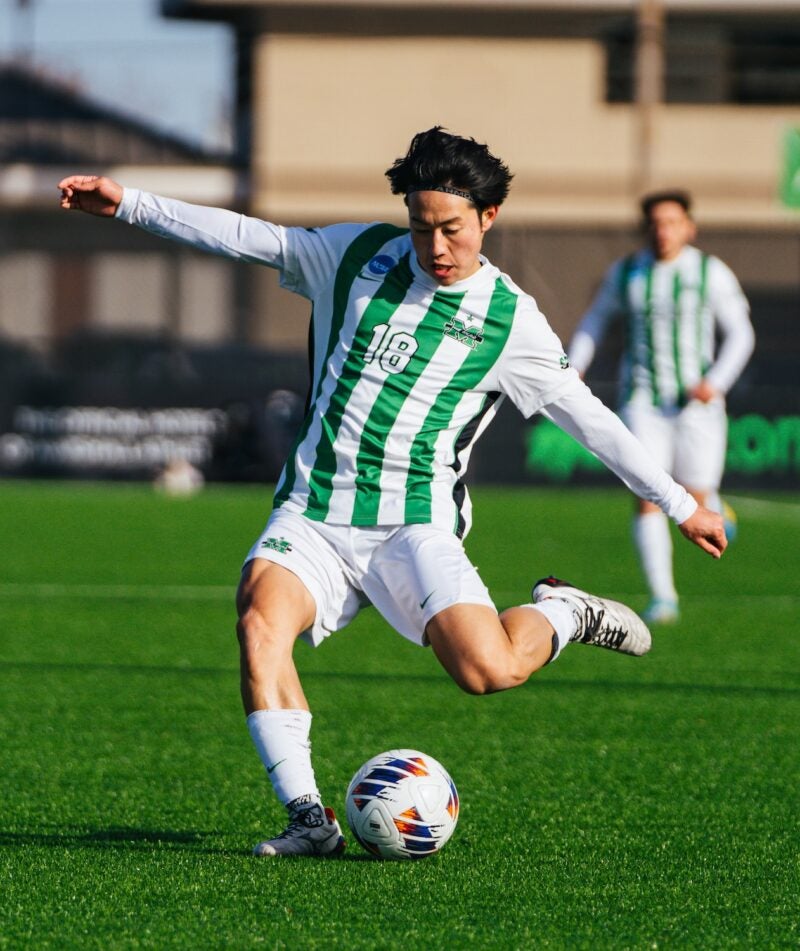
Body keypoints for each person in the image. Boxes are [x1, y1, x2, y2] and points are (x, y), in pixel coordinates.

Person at [58, 128, 726, 858]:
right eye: (420, 225)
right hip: (314, 513)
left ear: (488, 218)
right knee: (258, 624)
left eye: (451, 228)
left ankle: (562, 612)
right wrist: (128, 204)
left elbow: (590, 419)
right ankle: (309, 819)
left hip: (414, 526)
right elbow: (248, 236)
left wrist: (680, 502)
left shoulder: (511, 320)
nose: (434, 246)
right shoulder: (354, 257)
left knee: (488, 670)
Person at [568, 190, 754, 625]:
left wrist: (716, 382)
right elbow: (595, 320)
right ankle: (663, 597)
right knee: (649, 494)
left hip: (697, 409)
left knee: (697, 496)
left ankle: (714, 502)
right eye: (655, 223)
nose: (663, 231)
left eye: (671, 222)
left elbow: (741, 334)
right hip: (642, 402)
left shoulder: (710, 272)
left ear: (689, 227)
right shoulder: (628, 272)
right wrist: (575, 365)